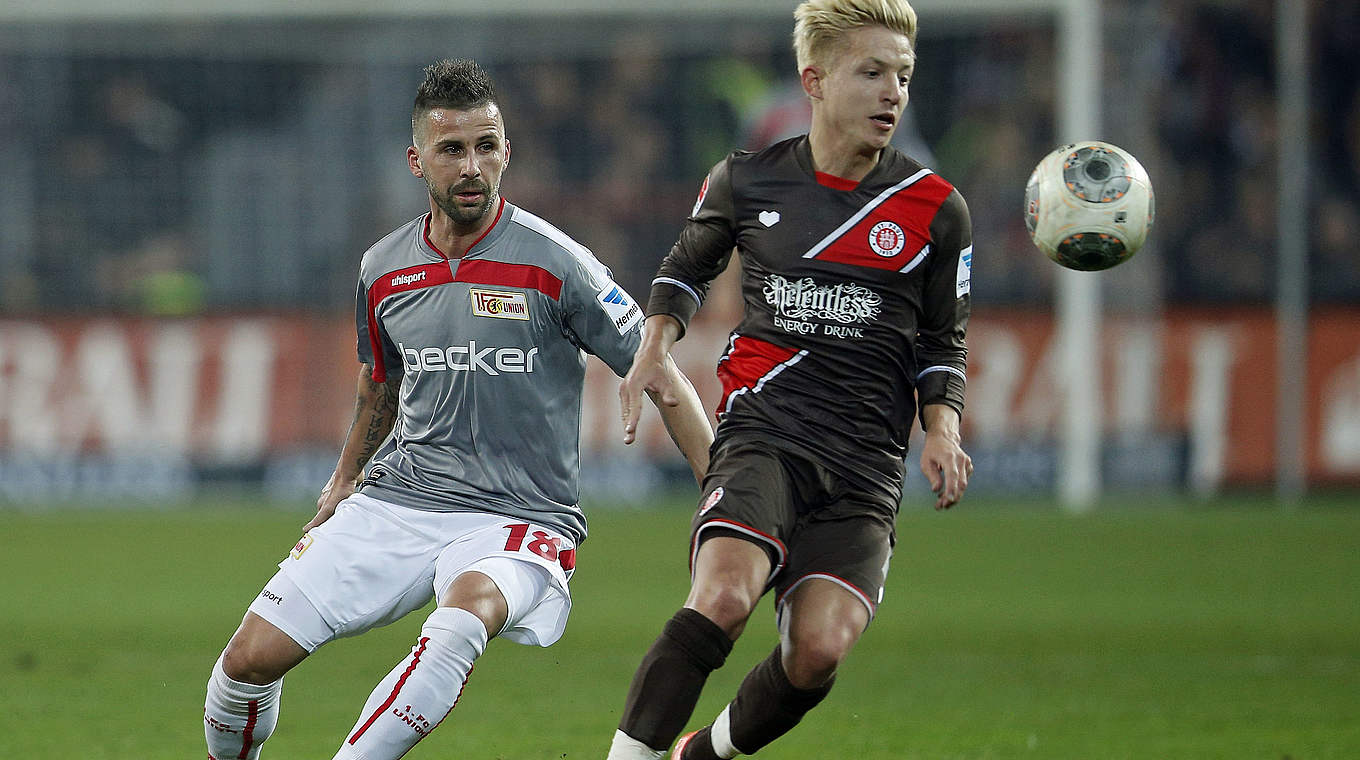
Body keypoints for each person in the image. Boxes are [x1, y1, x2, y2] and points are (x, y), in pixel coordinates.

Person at [203, 58, 713, 760]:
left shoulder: (556, 263)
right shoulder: (383, 268)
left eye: (486, 146)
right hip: (402, 499)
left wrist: (725, 499)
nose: (472, 166)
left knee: (459, 622)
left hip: (519, 517)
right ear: (418, 161)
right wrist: (346, 479)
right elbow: (377, 383)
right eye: (452, 149)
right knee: (241, 667)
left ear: (507, 151)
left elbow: (664, 378)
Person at [605, 1, 973, 758]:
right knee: (723, 597)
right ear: (815, 79)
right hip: (764, 435)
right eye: (871, 73)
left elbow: (943, 342)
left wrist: (942, 425)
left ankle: (705, 753)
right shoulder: (747, 181)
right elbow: (686, 268)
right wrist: (655, 343)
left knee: (818, 653)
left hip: (866, 465)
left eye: (902, 76)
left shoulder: (937, 210)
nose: (892, 93)